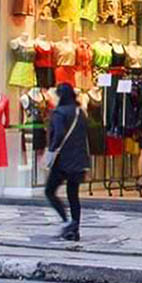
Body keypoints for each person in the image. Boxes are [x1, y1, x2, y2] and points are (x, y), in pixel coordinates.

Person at [44, 83, 90, 242]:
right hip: (78, 159)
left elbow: (58, 134)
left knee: (50, 191)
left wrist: (51, 150)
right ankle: (75, 228)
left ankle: (66, 221)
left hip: (63, 160)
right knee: (73, 195)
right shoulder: (80, 112)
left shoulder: (58, 113)